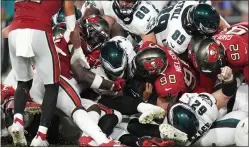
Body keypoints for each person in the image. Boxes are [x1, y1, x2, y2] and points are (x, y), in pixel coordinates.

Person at [6, 0, 89, 146]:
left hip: (14, 30)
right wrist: (77, 48)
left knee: (23, 81)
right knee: (52, 85)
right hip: (38, 29)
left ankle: (17, 121)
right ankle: (40, 136)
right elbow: (70, 21)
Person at [151, 1, 230, 55]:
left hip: (160, 21)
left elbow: (218, 20)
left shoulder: (191, 3)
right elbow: (174, 59)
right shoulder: (179, 39)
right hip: (158, 42)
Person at [81, 0, 169, 44]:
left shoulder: (143, 20)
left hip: (157, 36)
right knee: (97, 28)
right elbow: (90, 11)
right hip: (132, 32)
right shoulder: (108, 4)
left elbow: (150, 48)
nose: (124, 4)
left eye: (128, 1)